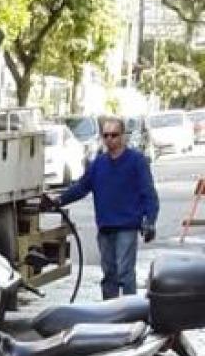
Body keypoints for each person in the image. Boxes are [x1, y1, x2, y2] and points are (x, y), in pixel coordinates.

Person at [52, 117, 159, 298]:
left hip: (127, 226)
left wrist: (150, 221)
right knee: (109, 273)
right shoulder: (98, 164)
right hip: (106, 227)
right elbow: (82, 187)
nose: (110, 139)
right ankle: (110, 312)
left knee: (125, 272)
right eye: (106, 135)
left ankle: (130, 312)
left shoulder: (136, 161)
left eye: (114, 135)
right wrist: (59, 200)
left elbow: (148, 193)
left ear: (123, 136)